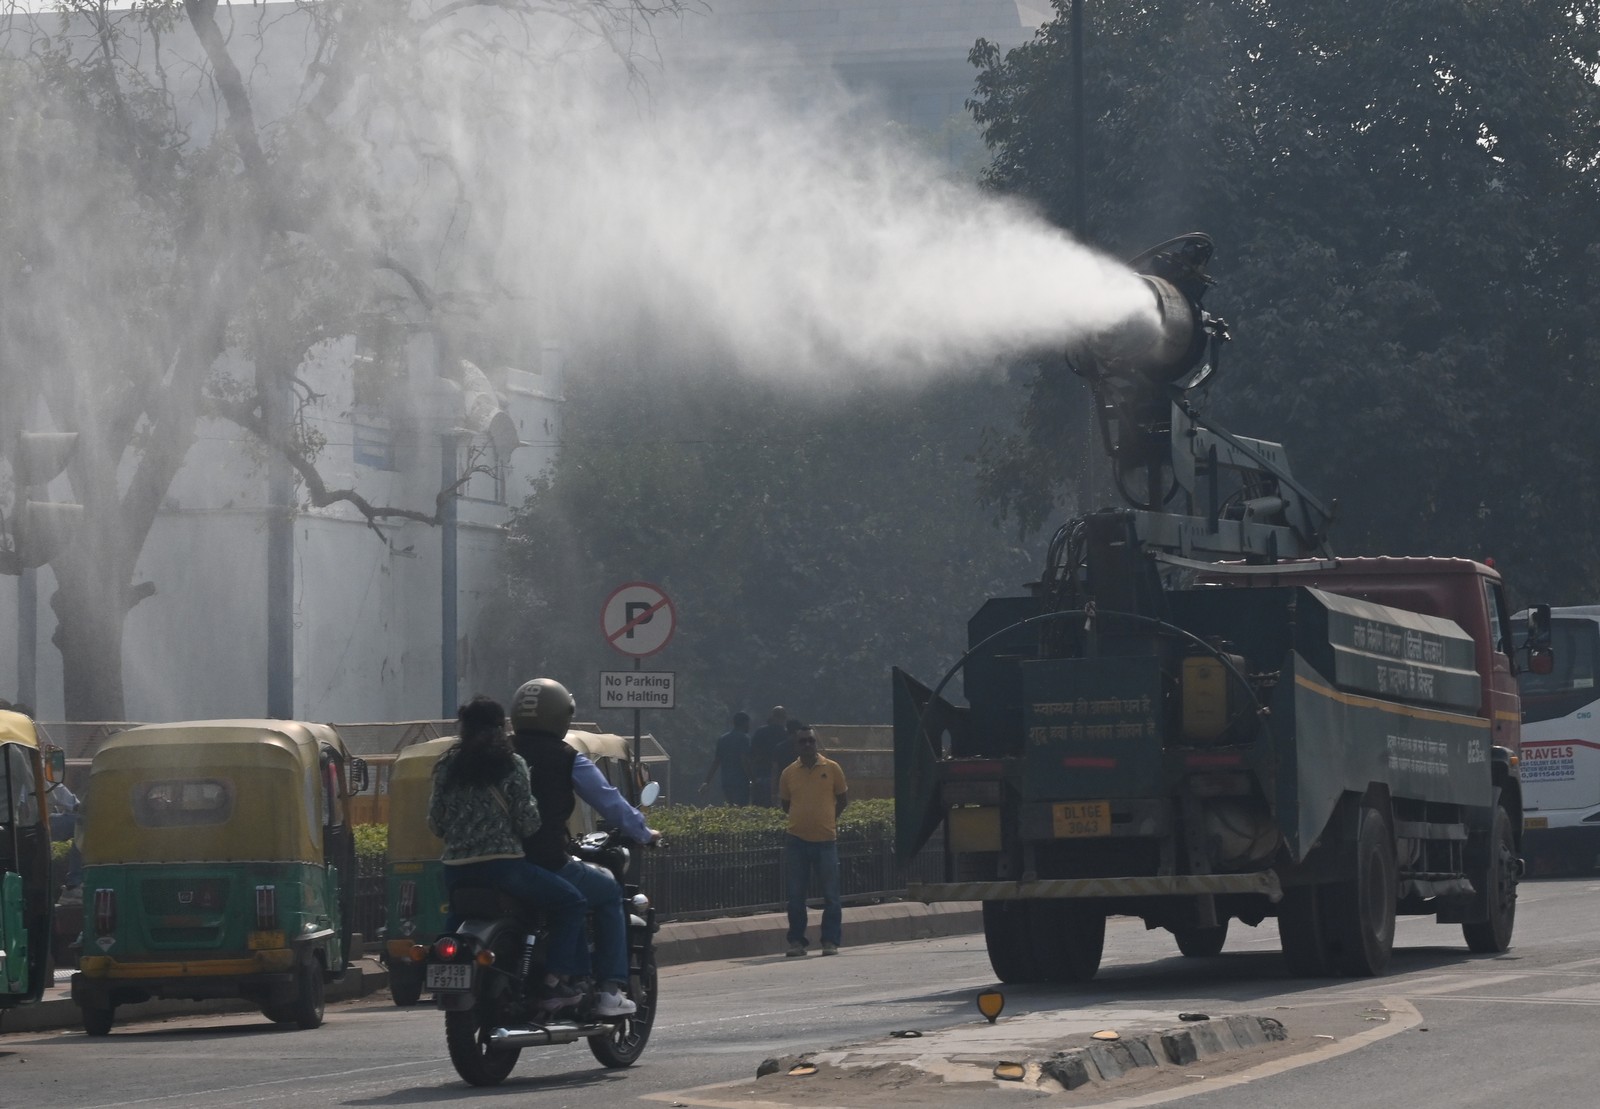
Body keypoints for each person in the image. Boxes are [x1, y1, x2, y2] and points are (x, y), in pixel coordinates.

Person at [510, 677, 661, 1019]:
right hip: (545, 860)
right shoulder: (565, 758)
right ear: (561, 715)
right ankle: (609, 991)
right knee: (606, 890)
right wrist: (644, 832)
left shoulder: (502, 752)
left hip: (499, 861)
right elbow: (610, 802)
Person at [428, 695, 588, 1012]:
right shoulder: (512, 765)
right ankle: (555, 982)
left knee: (451, 932)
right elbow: (528, 823)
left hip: (456, 871)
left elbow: (435, 822)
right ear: (502, 728)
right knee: (572, 902)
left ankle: (441, 973)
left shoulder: (447, 767)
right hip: (504, 869)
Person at [778, 722, 848, 957]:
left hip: (826, 840)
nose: (807, 744)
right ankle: (797, 942)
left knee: (831, 895)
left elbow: (842, 799)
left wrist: (828, 820)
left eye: (811, 740)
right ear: (796, 745)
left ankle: (830, 941)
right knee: (796, 896)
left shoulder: (832, 768)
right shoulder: (788, 773)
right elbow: (786, 804)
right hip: (797, 840)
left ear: (816, 742)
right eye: (802, 741)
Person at [699, 711, 752, 805]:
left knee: (731, 807)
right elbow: (744, 760)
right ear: (744, 723)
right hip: (741, 782)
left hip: (726, 781)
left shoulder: (723, 739)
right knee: (742, 808)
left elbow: (716, 762)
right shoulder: (744, 738)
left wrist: (707, 781)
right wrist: (751, 778)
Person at [746, 706, 788, 807]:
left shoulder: (761, 732)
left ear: (772, 717)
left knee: (760, 806)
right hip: (781, 774)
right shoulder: (786, 734)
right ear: (785, 718)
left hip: (762, 773)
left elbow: (751, 754)